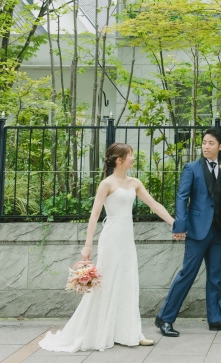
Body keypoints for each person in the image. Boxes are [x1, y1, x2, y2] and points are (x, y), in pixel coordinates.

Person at [39, 142, 176, 352]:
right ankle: (102, 332)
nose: (133, 158)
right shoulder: (106, 184)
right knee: (107, 283)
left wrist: (175, 224)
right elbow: (94, 215)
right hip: (111, 239)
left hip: (127, 240)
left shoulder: (135, 182)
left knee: (128, 282)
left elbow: (154, 205)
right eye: (130, 155)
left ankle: (131, 333)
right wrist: (88, 245)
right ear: (119, 160)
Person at [155, 127, 221, 337]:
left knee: (215, 277)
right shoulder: (191, 168)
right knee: (187, 275)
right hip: (196, 231)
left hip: (219, 231)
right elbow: (181, 197)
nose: (206, 146)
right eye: (204, 142)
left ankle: (216, 318)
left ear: (220, 146)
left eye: (211, 143)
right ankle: (164, 318)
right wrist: (180, 226)